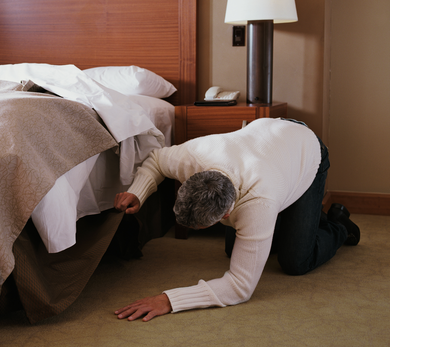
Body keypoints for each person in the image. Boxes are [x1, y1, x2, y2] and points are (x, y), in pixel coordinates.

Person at [112, 117, 360, 322]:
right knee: (235, 250)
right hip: (267, 139)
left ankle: (338, 224)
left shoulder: (259, 202)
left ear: (227, 214)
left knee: (295, 261)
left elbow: (240, 287)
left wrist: (168, 299)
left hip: (305, 150)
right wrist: (138, 191)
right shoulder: (193, 155)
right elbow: (156, 159)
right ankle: (298, 220)